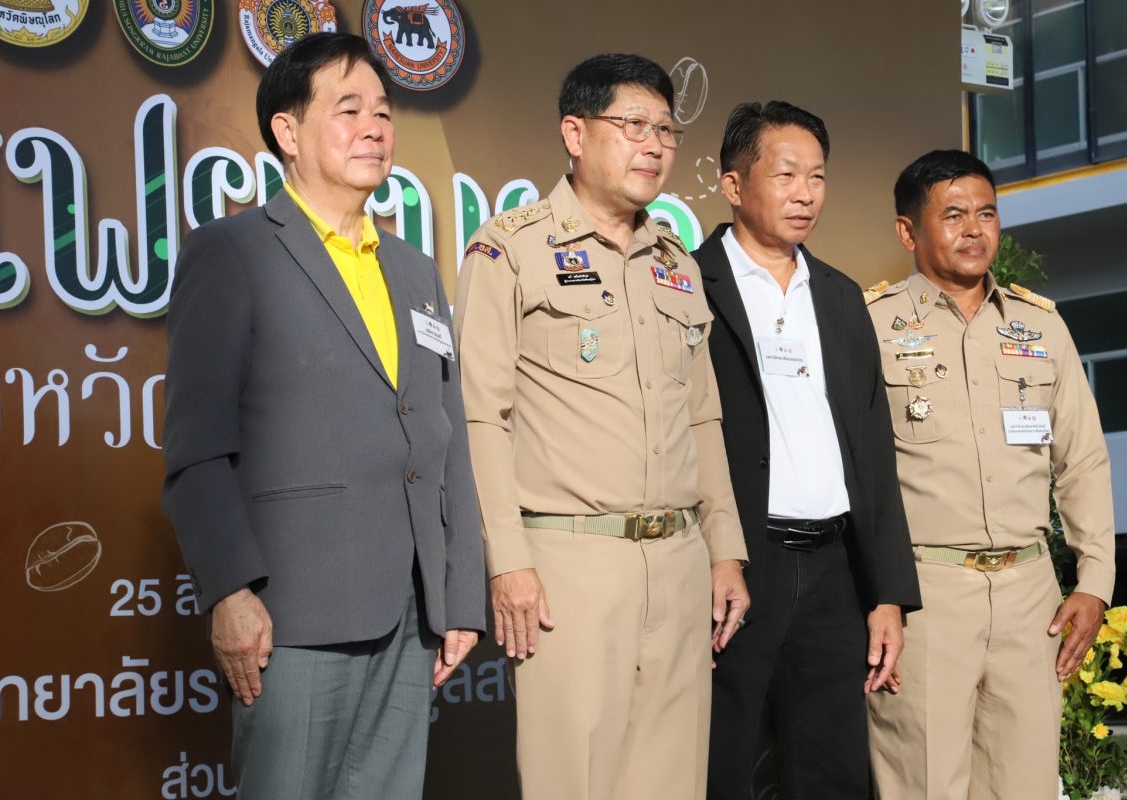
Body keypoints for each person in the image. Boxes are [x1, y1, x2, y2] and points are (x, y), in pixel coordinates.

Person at [161, 32, 484, 800]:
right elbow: (197, 451)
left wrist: (460, 595)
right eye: (348, 110)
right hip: (293, 612)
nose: (375, 128)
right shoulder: (234, 251)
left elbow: (447, 441)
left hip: (411, 611)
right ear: (287, 130)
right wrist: (231, 593)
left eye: (384, 112)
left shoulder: (415, 270)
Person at [452, 53, 750, 800]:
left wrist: (724, 550)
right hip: (570, 564)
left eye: (666, 131)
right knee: (575, 782)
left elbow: (703, 417)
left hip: (680, 561)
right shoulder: (509, 248)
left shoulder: (677, 263)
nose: (654, 145)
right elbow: (480, 414)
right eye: (633, 126)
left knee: (673, 781)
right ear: (575, 134)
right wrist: (507, 561)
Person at [865, 149, 1115, 799]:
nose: (975, 230)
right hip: (926, 593)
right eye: (953, 215)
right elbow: (853, 475)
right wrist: (875, 594)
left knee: (1024, 784)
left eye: (987, 213)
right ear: (908, 231)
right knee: (925, 783)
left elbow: (1082, 459)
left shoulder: (1041, 325)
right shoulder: (871, 325)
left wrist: (1095, 581)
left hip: (1031, 596)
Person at [694, 101, 921, 800]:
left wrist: (886, 593)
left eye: (817, 177)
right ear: (734, 186)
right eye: (786, 174)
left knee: (833, 772)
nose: (805, 194)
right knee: (719, 764)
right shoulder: (688, 285)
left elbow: (874, 453)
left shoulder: (842, 297)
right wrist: (714, 554)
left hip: (833, 572)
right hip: (736, 566)